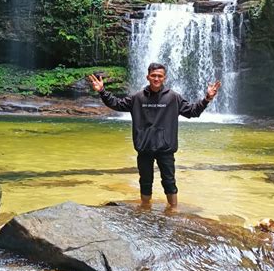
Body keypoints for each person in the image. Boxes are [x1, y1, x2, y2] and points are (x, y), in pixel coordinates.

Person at [88, 63, 220, 208]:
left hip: (166, 149)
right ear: (148, 77)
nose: (156, 78)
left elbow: (192, 111)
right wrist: (102, 91)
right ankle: (145, 208)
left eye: (159, 76)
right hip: (144, 149)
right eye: (153, 75)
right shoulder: (137, 98)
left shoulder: (173, 97)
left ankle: (173, 210)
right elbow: (117, 104)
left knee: (169, 181)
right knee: (145, 181)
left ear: (164, 78)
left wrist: (207, 98)